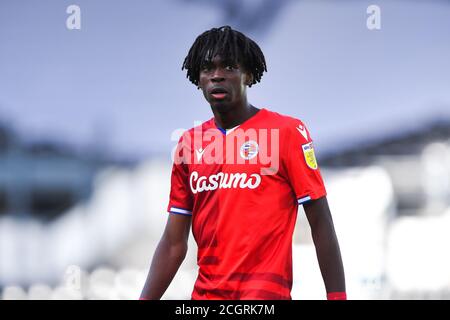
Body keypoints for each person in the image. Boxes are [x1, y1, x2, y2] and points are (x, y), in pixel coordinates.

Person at [140, 26, 346, 300]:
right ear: (197, 78)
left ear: (248, 74)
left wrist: (337, 296)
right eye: (207, 68)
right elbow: (173, 243)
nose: (216, 76)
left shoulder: (286, 132)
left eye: (228, 66)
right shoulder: (189, 144)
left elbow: (320, 222)